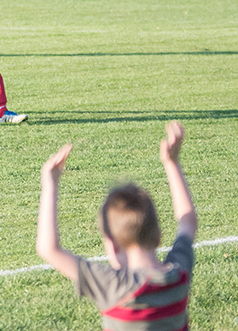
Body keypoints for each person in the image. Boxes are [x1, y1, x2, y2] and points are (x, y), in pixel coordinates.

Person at [37, 121, 196, 330]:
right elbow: (188, 221)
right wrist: (172, 163)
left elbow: (48, 249)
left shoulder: (113, 286)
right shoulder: (178, 276)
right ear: (158, 235)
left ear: (112, 245)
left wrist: (50, 184)